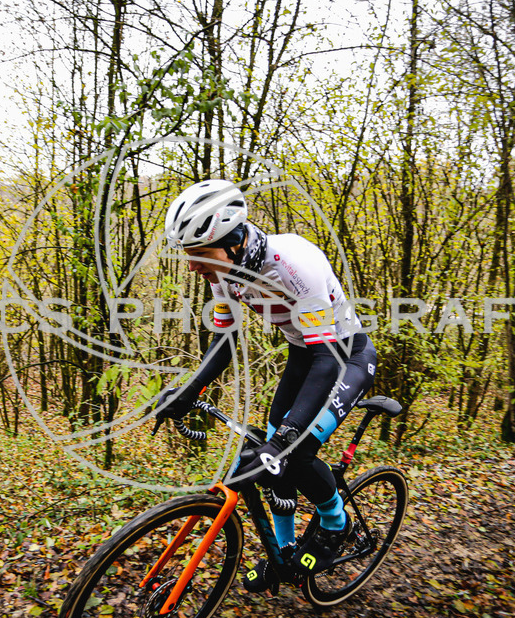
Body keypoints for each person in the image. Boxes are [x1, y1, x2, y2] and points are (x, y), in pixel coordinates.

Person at [154, 179, 377, 591]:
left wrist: (286, 440)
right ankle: (284, 552)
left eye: (199, 255)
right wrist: (189, 391)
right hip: (303, 355)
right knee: (272, 460)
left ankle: (335, 522)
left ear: (235, 242)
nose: (192, 266)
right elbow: (224, 340)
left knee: (295, 450)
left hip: (345, 358)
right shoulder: (223, 274)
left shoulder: (294, 266)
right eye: (188, 256)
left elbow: (328, 358)